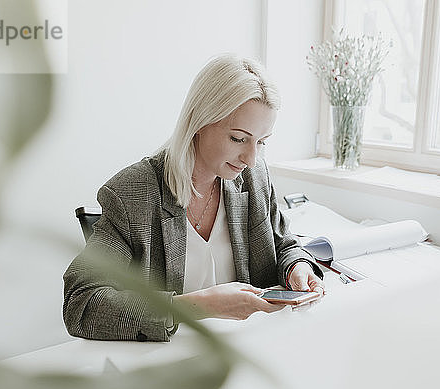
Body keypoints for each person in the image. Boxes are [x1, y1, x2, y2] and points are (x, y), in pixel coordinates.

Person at [63, 54, 325, 342]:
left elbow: (284, 245)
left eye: (261, 142)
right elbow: (82, 304)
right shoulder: (132, 194)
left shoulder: (254, 176)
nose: (251, 158)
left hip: (249, 349)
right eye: (238, 138)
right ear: (200, 121)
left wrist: (296, 268)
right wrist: (197, 307)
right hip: (171, 365)